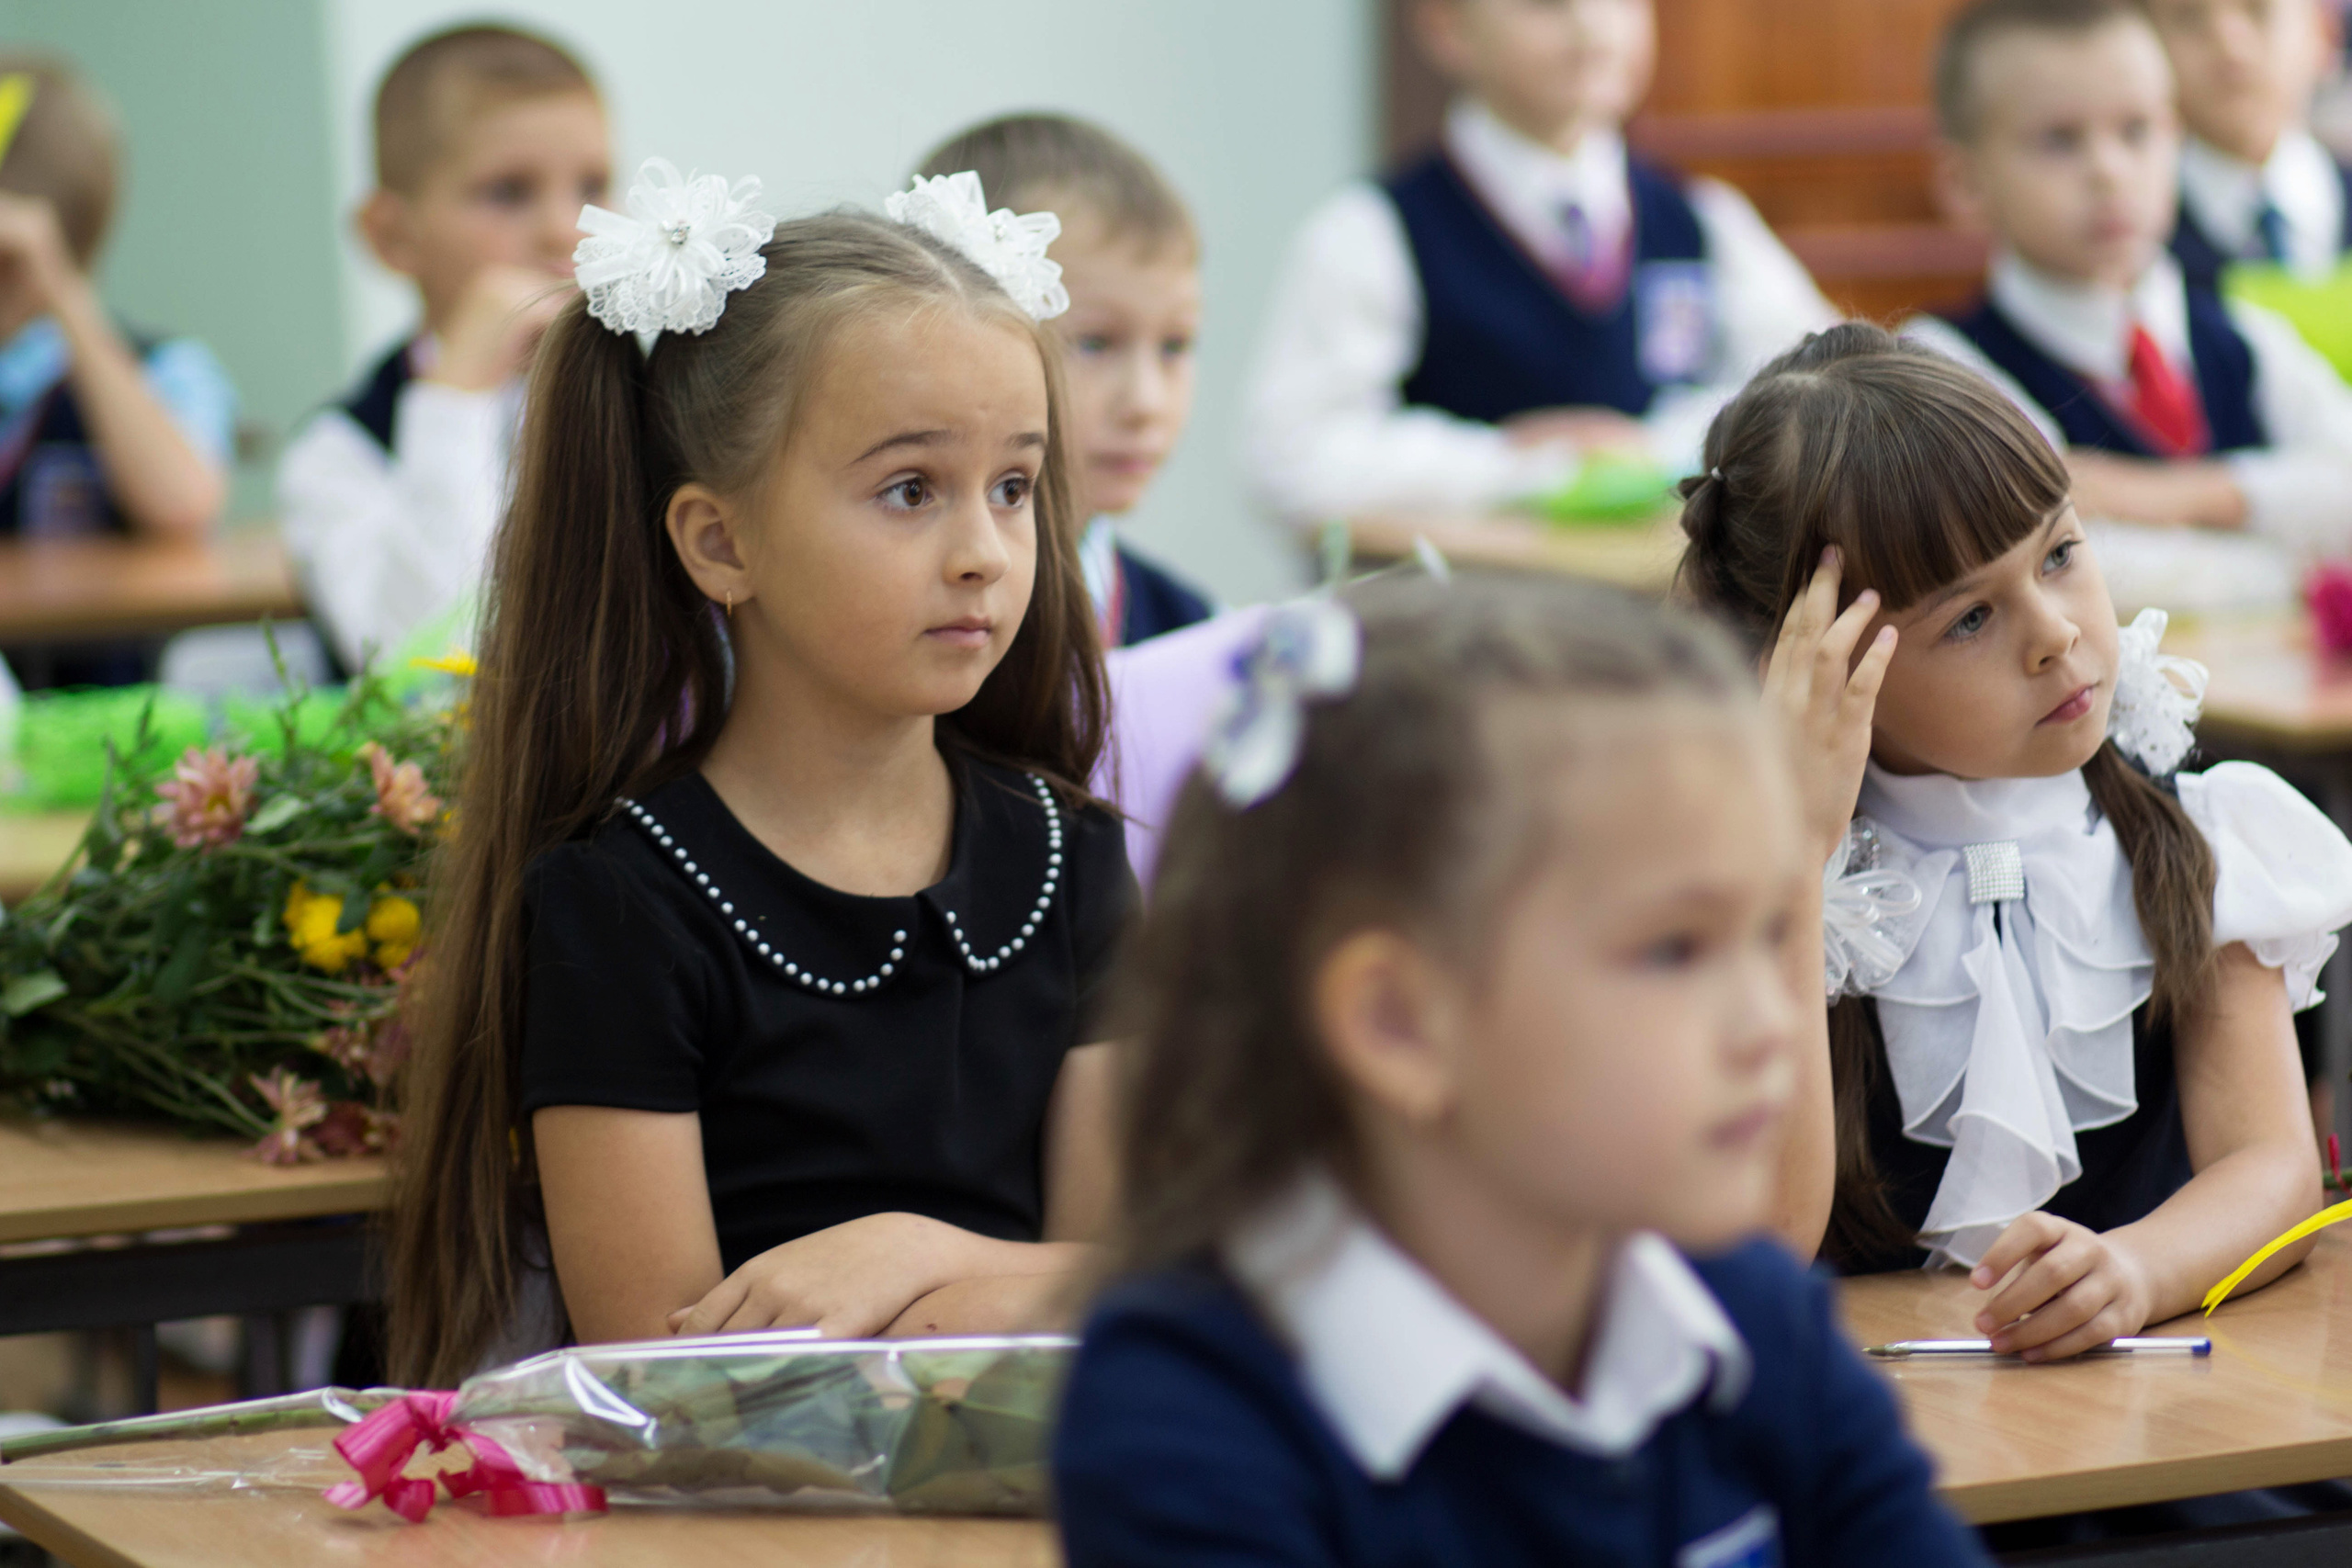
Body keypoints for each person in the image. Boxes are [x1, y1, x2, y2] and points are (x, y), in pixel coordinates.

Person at [1054, 575, 1982, 1568]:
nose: (1767, 1024)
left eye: (1767, 934)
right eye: (1674, 950)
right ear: (1399, 1023)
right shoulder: (1190, 1417)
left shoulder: (1749, 1315)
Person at [383, 161, 1132, 1385]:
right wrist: (1005, 1297)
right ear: (720, 542)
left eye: (1012, 487)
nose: (986, 553)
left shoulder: (1073, 857)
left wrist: (910, 1255)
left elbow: (1144, 1284)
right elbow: (664, 1379)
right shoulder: (619, 905)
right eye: (910, 490)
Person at [1679, 324, 2349, 1373]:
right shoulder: (1735, 893)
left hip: (2150, 1411)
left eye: (2060, 555)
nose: (2056, 634)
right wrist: (1797, 855)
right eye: (1969, 619)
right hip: (1872, 1418)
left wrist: (2136, 1269)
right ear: (1815, 664)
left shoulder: (2186, 832)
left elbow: (2271, 1166)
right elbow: (1765, 1241)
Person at [1241, 0, 1837, 522]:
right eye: (1544, 2)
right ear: (1447, 27)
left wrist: (1657, 448)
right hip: (1465, 605)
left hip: (1664, 601)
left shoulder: (1703, 219)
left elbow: (1827, 387)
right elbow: (1292, 456)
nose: (1591, 26)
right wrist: (1519, 466)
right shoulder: (1372, 231)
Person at [1906, 0, 2352, 555]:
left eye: (2136, 130)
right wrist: (2288, 526)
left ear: (2176, 136)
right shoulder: (1941, 369)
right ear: (1964, 182)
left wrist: (2156, 497)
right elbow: (2062, 563)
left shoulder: (2240, 329)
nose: (2108, 170)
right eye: (2059, 139)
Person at [277, 25, 609, 674]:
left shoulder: (650, 395)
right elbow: (430, 665)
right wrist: (456, 393)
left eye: (592, 187)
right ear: (393, 236)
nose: (564, 229)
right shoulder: (339, 456)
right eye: (508, 192)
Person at [914, 115, 1213, 648]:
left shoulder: (1190, 628)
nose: (1145, 403)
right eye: (1095, 343)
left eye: (1174, 346)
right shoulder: (914, 614)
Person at [2145, 0, 2352, 288]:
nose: (2229, 45)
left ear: (2325, 33)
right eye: (2189, 18)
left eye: (2258, 9)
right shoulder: (2136, 248)